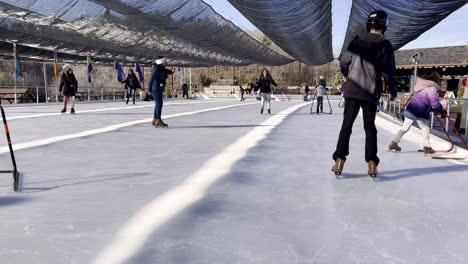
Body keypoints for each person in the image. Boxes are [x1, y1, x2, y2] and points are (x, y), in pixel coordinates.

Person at [332, 10, 397, 177]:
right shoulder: (385, 46)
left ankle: (339, 159)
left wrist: (351, 76)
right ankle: (371, 162)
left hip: (353, 91)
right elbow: (389, 72)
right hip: (370, 93)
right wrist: (393, 91)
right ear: (384, 26)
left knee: (346, 126)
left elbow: (344, 64)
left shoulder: (356, 41)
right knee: (370, 128)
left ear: (369, 24)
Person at [389, 71, 443, 154]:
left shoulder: (422, 86)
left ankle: (394, 143)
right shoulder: (432, 88)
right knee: (425, 128)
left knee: (405, 127)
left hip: (411, 109)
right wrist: (440, 110)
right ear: (436, 80)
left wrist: (434, 110)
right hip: (419, 111)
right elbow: (434, 103)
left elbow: (424, 101)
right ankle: (427, 147)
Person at [149, 56, 174, 128]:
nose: (165, 63)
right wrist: (149, 90)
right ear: (161, 62)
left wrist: (172, 71)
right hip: (156, 89)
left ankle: (155, 119)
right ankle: (158, 120)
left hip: (159, 88)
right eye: (164, 62)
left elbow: (167, 72)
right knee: (159, 104)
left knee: (158, 104)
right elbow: (152, 79)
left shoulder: (161, 68)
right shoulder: (156, 69)